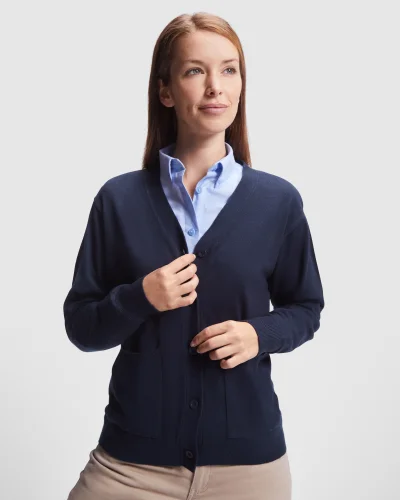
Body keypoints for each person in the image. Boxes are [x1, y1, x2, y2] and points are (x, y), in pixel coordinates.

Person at [64, 11, 324, 500]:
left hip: (248, 469)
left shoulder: (278, 202)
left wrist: (258, 334)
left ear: (241, 85)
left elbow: (306, 309)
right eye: (194, 71)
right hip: (130, 466)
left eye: (229, 70)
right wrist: (140, 297)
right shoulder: (118, 200)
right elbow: (81, 325)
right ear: (165, 91)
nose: (214, 87)